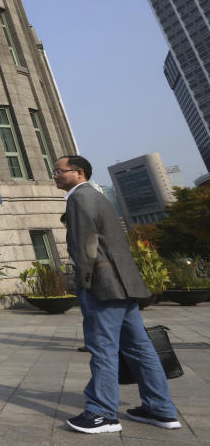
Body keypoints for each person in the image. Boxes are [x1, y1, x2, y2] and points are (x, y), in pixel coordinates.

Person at [54, 155, 181, 434]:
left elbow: (85, 244)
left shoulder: (79, 197)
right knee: (140, 348)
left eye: (59, 171)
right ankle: (160, 409)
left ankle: (102, 413)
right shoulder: (99, 197)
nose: (55, 175)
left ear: (78, 172)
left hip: (103, 285)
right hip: (124, 284)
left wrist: (84, 280)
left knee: (103, 348)